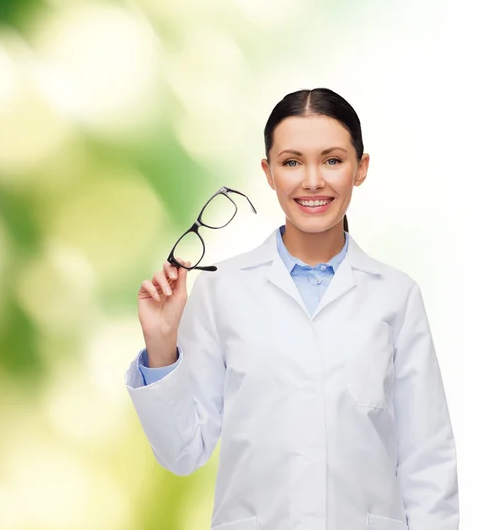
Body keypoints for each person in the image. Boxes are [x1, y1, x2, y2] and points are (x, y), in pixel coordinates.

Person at [124, 88, 459, 530]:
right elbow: (183, 452)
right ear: (269, 172)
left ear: (361, 169)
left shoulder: (396, 297)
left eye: (333, 160)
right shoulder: (222, 290)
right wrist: (162, 348)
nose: (313, 181)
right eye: (291, 161)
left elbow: (428, 460)